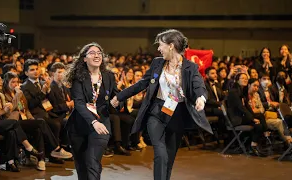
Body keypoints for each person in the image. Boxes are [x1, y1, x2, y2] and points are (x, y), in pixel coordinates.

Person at [111, 29, 212, 180]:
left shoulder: (191, 67)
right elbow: (141, 84)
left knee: (169, 158)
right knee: (161, 153)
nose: (158, 49)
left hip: (177, 115)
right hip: (157, 113)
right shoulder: (157, 63)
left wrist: (201, 99)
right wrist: (119, 96)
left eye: (161, 45)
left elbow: (199, 86)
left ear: (171, 46)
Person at [65, 42, 116, 180]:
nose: (97, 55)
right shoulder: (78, 78)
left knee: (92, 162)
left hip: (101, 125)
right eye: (92, 53)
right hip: (79, 126)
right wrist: (93, 121)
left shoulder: (109, 76)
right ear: (84, 58)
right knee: (82, 167)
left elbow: (115, 96)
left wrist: (118, 101)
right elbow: (79, 104)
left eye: (99, 53)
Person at [0, 73, 43, 172]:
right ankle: (28, 147)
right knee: (14, 123)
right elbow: (6, 113)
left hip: (3, 122)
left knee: (12, 131)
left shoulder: (0, 95)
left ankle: (10, 162)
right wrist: (5, 110)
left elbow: (24, 108)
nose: (1, 82)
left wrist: (8, 107)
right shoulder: (6, 93)